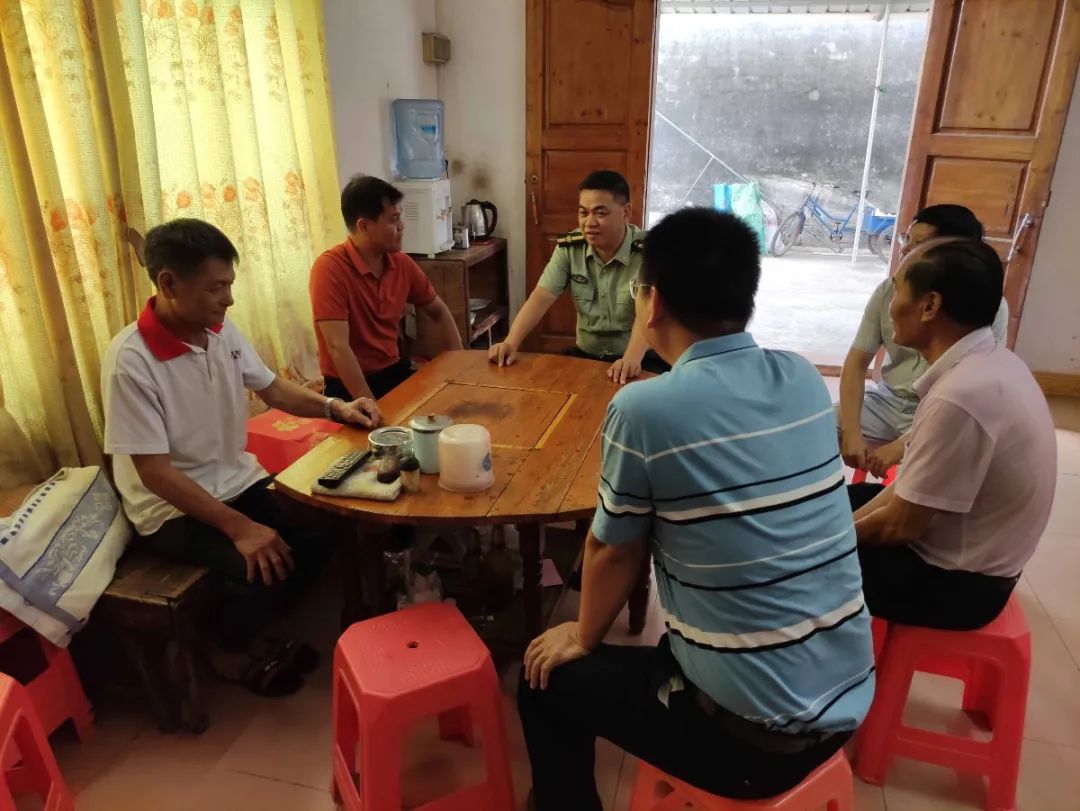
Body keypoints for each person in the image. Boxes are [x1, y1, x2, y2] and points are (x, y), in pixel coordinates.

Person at [518, 209, 874, 809]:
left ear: (652, 303)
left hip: (752, 744)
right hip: (847, 704)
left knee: (545, 682)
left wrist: (581, 635)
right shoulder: (803, 377)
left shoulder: (645, 409)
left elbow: (613, 550)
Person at [103, 219, 379, 695]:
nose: (228, 299)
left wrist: (336, 408)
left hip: (236, 478)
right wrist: (241, 528)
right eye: (216, 288)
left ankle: (253, 627)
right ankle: (225, 648)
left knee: (322, 529)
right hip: (171, 509)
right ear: (169, 284)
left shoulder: (218, 329)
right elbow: (154, 473)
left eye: (229, 285)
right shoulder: (131, 360)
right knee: (261, 567)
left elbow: (271, 388)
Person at [851, 239, 1056, 631]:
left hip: (960, 586)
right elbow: (907, 490)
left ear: (930, 306)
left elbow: (899, 526)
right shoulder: (990, 362)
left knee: (794, 570)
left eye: (897, 291)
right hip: (968, 552)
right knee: (831, 507)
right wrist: (839, 526)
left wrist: (825, 544)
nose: (889, 306)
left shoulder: (961, 396)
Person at [838, 204, 1009, 477]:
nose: (905, 249)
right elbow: (856, 363)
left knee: (950, 456)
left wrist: (902, 446)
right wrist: (851, 432)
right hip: (888, 402)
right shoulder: (888, 291)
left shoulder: (987, 309)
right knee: (813, 425)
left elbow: (969, 399)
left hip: (943, 410)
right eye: (906, 239)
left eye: (919, 244)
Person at [488, 170, 668, 384]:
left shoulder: (649, 251)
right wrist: (510, 342)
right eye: (583, 213)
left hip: (640, 357)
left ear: (626, 212)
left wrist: (631, 358)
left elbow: (649, 310)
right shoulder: (570, 248)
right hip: (587, 355)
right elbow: (541, 296)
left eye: (600, 213)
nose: (589, 222)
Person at [310, 175, 462, 416]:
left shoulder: (401, 263)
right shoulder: (329, 269)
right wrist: (370, 405)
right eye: (393, 219)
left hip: (393, 372)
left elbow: (439, 311)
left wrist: (461, 364)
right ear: (364, 226)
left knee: (448, 414)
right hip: (348, 388)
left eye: (400, 216)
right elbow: (338, 347)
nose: (402, 226)